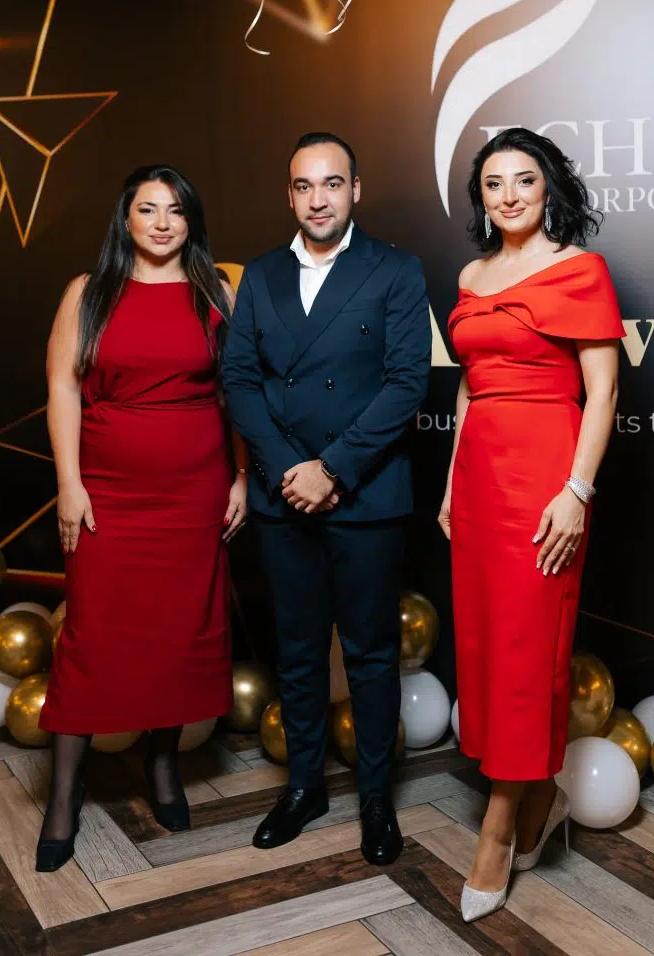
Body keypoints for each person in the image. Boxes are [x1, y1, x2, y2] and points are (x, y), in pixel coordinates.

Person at [222, 132, 431, 865]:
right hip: (284, 494)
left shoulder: (395, 270)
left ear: (355, 190)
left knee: (371, 655)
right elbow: (239, 379)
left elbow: (408, 382)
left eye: (332, 184)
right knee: (300, 651)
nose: (318, 199)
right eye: (305, 186)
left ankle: (376, 798)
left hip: (365, 495)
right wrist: (290, 469)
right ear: (290, 195)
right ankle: (304, 787)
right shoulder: (261, 276)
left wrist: (333, 469)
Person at [37, 165, 247, 872]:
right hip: (108, 493)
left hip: (193, 494)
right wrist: (70, 484)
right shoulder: (88, 292)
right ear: (125, 219)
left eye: (176, 211)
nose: (162, 223)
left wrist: (242, 475)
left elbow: (234, 393)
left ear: (191, 221)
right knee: (92, 636)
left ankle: (162, 765)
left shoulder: (214, 292)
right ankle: (63, 794)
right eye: (148, 209)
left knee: (178, 635)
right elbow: (63, 387)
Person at [438, 128, 623, 921]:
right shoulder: (471, 275)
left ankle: (498, 825)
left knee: (527, 649)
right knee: (487, 644)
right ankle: (540, 793)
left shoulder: (580, 270)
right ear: (480, 198)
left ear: (549, 188)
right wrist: (451, 484)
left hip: (546, 473)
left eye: (523, 180)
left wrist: (575, 491)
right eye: (493, 183)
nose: (509, 195)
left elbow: (603, 390)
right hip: (480, 476)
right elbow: (469, 387)